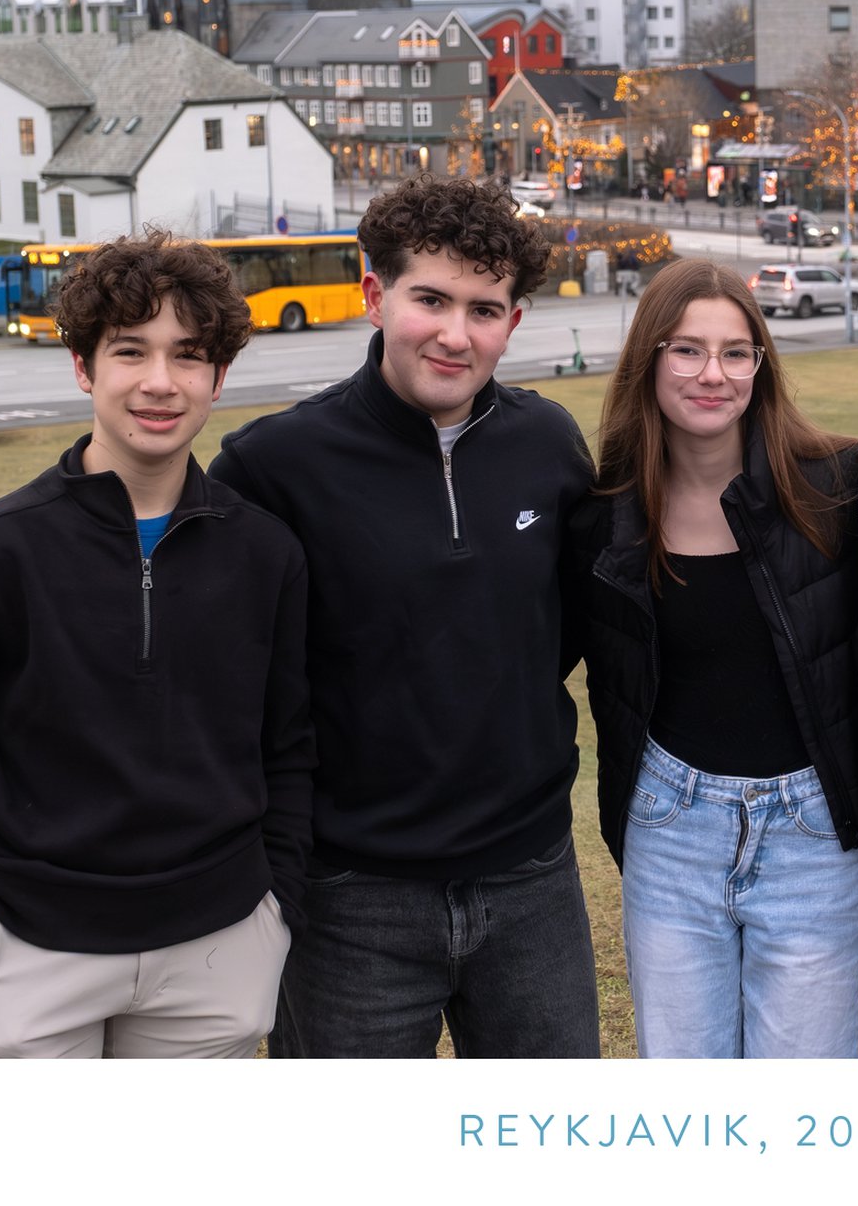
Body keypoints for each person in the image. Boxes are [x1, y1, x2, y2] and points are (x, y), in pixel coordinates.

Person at [0, 231, 314, 1058]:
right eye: (130, 350)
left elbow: (288, 747)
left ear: (219, 376)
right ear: (83, 365)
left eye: (188, 355)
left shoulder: (267, 554)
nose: (160, 381)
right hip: (30, 954)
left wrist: (273, 909)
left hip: (219, 952)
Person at [209, 175, 600, 1058]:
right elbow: (215, 669)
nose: (456, 334)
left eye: (484, 309)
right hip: (351, 897)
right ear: (374, 294)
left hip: (532, 878)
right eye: (431, 299)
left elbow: (562, 628)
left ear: (513, 321)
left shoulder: (548, 445)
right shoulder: (273, 467)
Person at [570, 259, 858, 1057]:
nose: (714, 374)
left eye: (736, 352)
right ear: (649, 359)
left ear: (760, 364)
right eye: (687, 350)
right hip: (670, 831)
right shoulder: (606, 516)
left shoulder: (837, 488)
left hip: (812, 836)